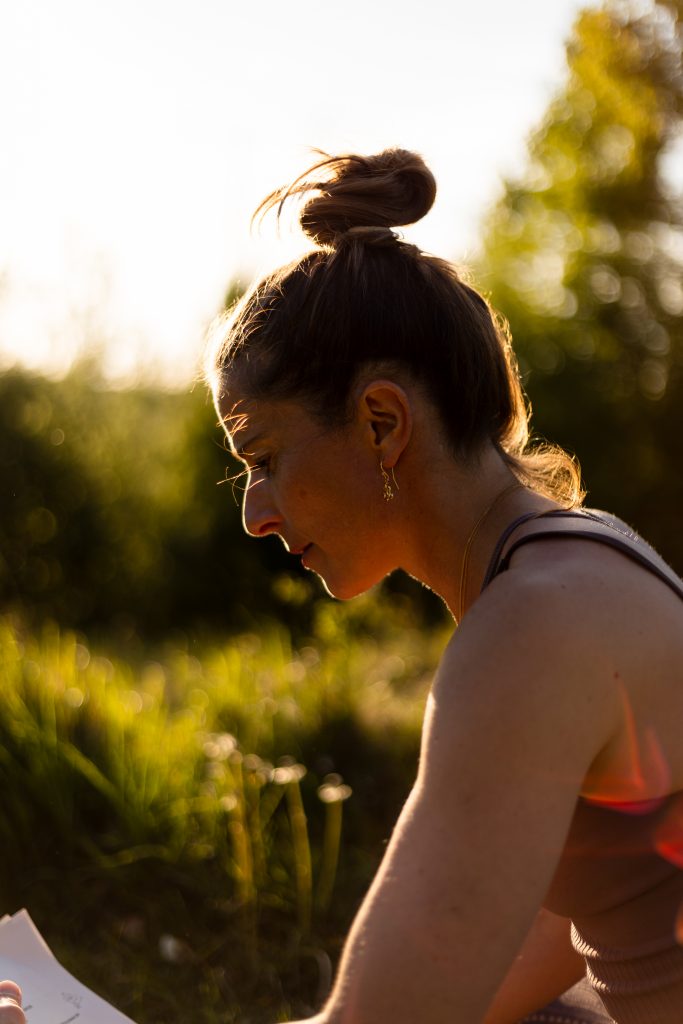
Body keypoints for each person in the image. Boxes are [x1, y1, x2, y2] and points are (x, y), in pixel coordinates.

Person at [2, 149, 682, 1024]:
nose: (254, 514)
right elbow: (536, 948)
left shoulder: (533, 630)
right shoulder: (583, 560)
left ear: (381, 422)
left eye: (263, 459)